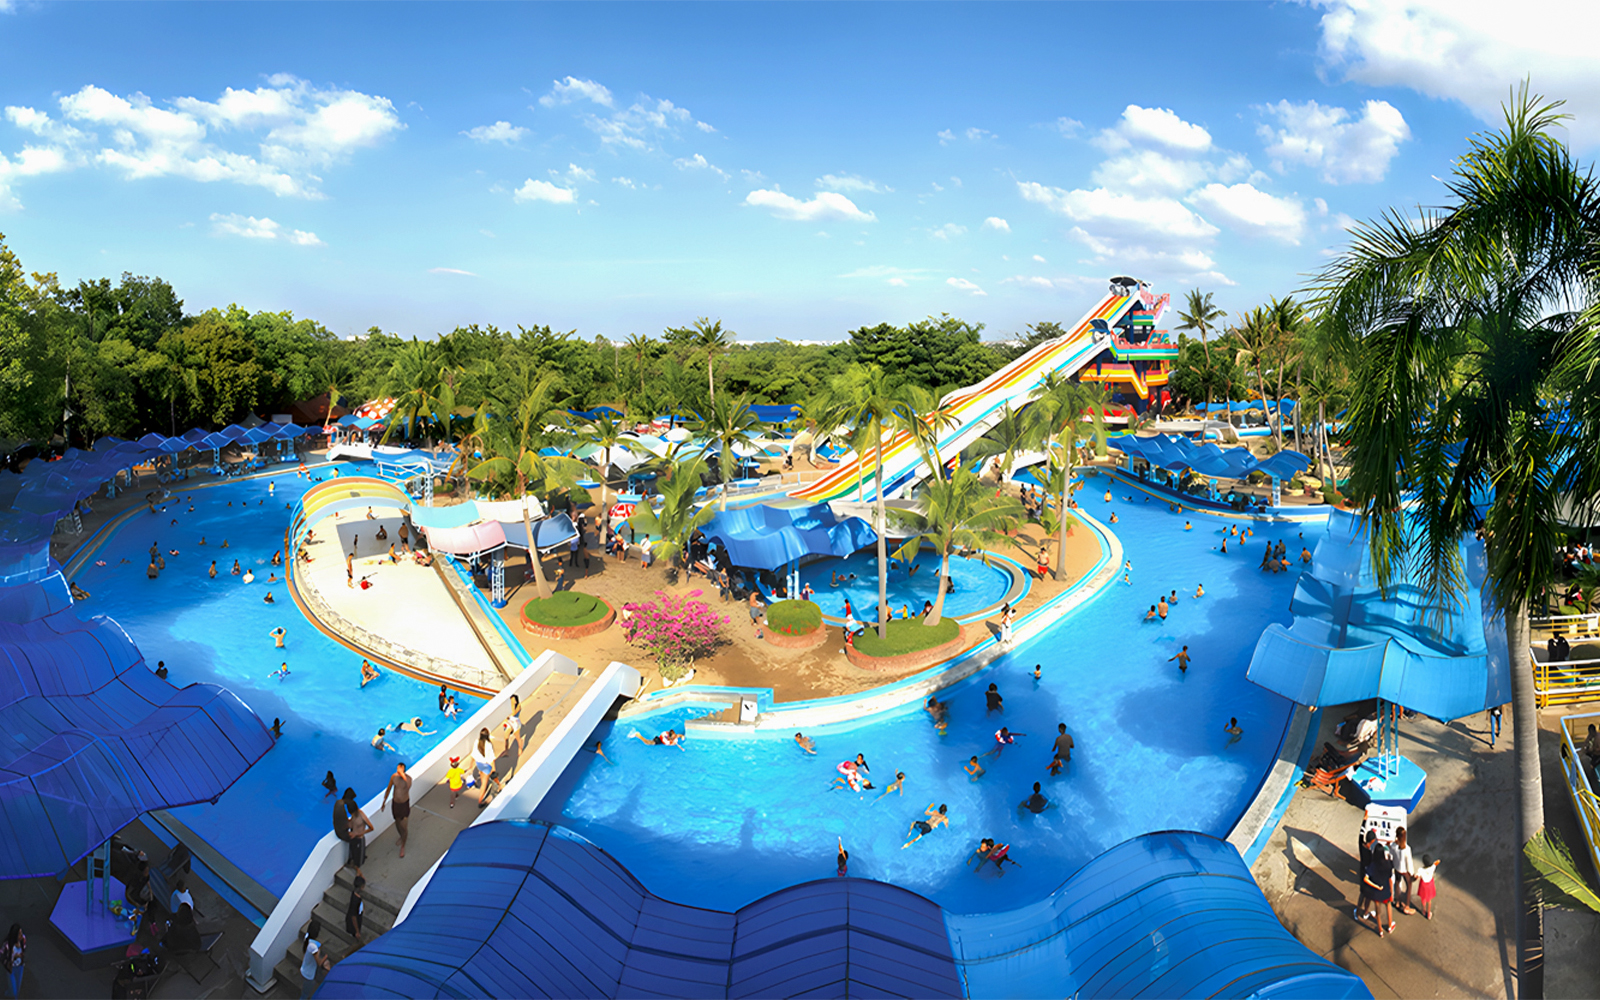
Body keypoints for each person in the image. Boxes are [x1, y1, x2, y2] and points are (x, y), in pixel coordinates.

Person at [1362, 836, 1396, 936]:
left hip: (1376, 892)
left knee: (1378, 911)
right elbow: (1390, 879)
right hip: (1386, 890)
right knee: (1388, 906)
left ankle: (1380, 930)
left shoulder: (1372, 865)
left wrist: (1376, 886)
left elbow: (1365, 879)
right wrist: (1391, 892)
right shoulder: (1388, 864)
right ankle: (1390, 926)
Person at [298, 918, 331, 999]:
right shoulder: (313, 947)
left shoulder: (307, 938)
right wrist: (325, 957)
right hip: (309, 974)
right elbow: (319, 963)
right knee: (305, 994)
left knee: (305, 991)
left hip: (305, 969)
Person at [1391, 827, 1417, 914]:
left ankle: (1397, 902)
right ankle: (1407, 906)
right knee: (1409, 886)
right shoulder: (1406, 849)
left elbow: (1391, 856)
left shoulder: (1393, 846)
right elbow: (1409, 862)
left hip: (1397, 868)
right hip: (1405, 870)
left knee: (1397, 883)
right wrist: (1412, 873)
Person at [473, 727, 496, 806]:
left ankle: (484, 788)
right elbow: (492, 758)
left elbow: (473, 754)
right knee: (484, 784)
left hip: (479, 764)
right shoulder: (488, 745)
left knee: (482, 777)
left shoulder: (476, 742)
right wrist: (493, 769)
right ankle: (480, 801)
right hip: (486, 765)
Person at [2, 924, 24, 1000]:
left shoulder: (23, 940)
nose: (21, 935)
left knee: (18, 987)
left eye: (21, 932)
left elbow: (24, 949)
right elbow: (2, 954)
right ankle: (9, 993)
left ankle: (15, 998)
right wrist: (13, 957)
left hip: (20, 967)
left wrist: (21, 956)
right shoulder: (7, 945)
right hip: (11, 969)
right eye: (19, 933)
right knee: (13, 990)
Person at [1415, 854, 1440, 920]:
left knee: (1423, 898)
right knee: (1429, 900)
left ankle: (1423, 910)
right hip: (1430, 884)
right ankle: (1428, 913)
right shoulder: (1432, 867)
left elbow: (1417, 876)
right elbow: (1435, 863)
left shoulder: (1420, 870)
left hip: (1423, 885)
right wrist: (1437, 861)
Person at [345, 875, 367, 943]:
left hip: (356, 915)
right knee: (355, 933)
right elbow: (353, 917)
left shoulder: (354, 894)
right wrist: (357, 931)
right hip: (354, 921)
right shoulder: (356, 901)